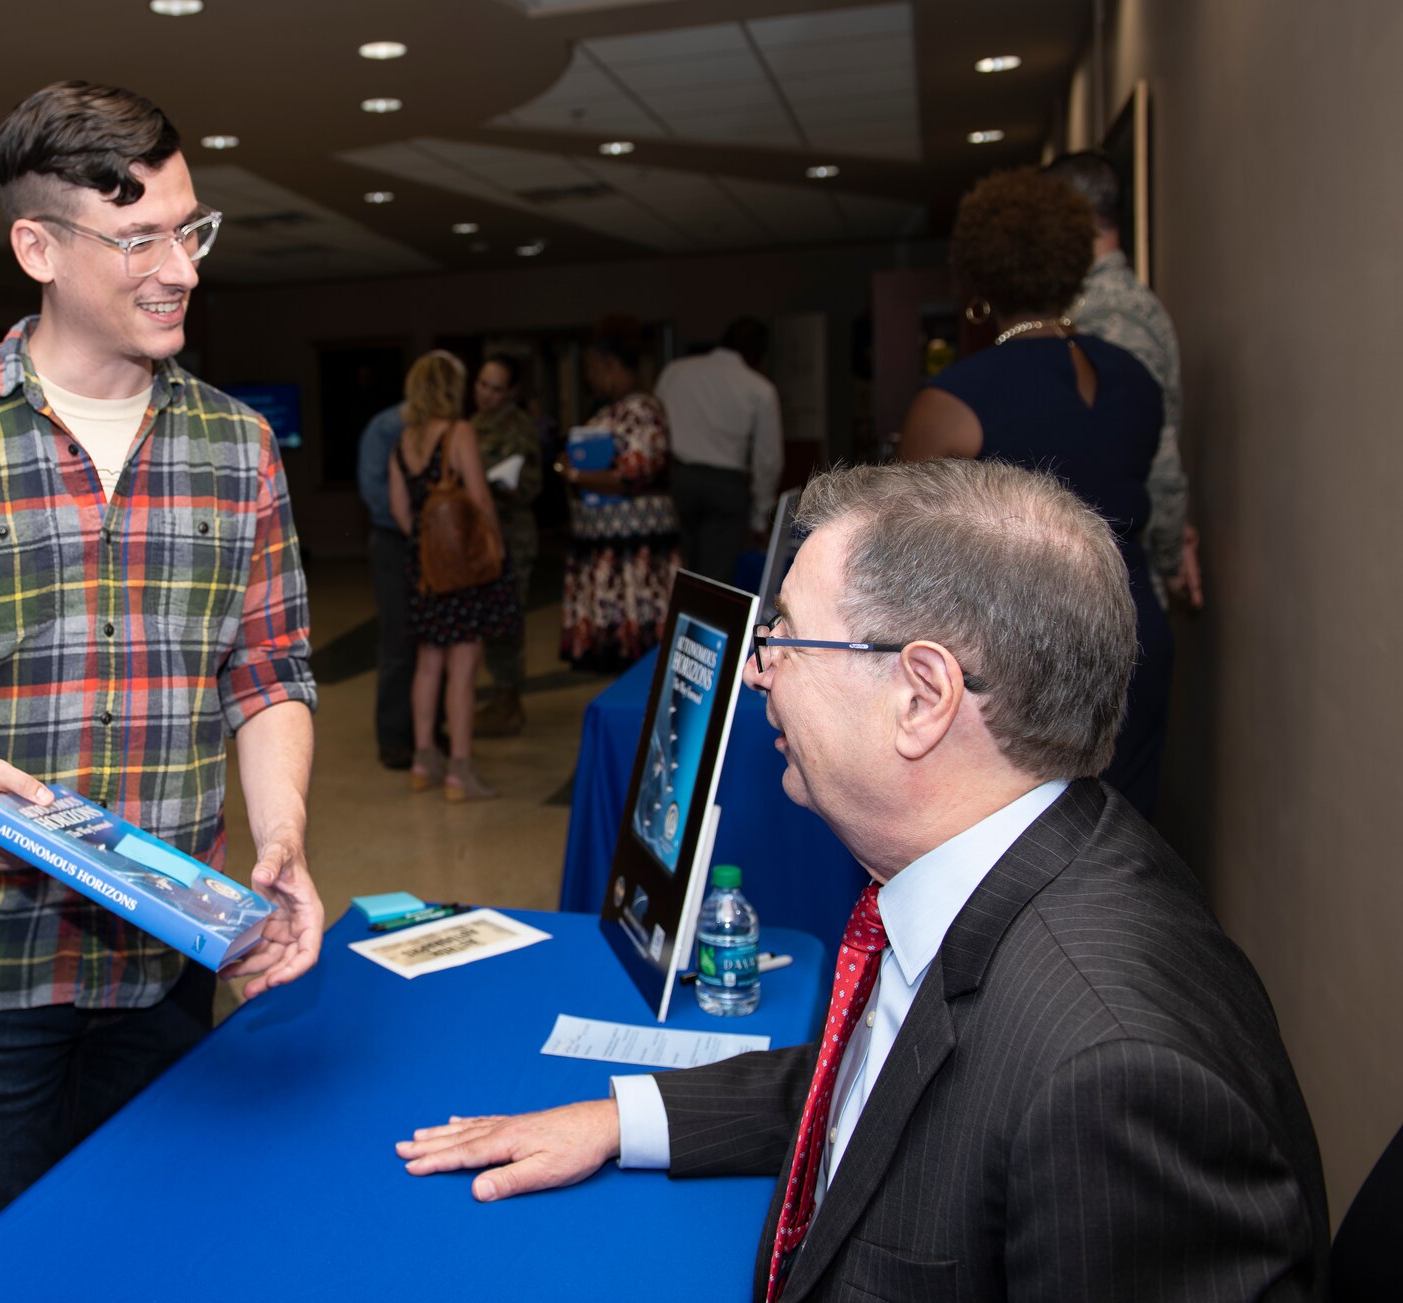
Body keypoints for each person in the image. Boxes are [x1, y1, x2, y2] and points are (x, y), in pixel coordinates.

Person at [396, 459, 1328, 1302]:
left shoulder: (1114, 1080)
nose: (757, 671)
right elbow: (880, 1079)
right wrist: (618, 1117)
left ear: (922, 696)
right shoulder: (1001, 864)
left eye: (788, 639)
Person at [0, 80, 323, 1257]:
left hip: (170, 956)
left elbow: (269, 667)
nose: (178, 266)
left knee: (159, 1249)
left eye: (190, 229)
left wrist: (279, 836)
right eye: (137, 237)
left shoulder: (236, 446)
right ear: (37, 245)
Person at [896, 168, 1171, 821]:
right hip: (1134, 628)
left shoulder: (957, 398)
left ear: (978, 276)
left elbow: (895, 549)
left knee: (1025, 845)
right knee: (1122, 837)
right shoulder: (1136, 378)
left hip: (1025, 646)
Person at [1045, 149, 1204, 612]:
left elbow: (1154, 452)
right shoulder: (1100, 306)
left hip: (1114, 588)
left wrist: (1173, 555)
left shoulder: (1110, 318)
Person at [387, 350, 519, 802]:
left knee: (428, 666)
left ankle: (424, 759)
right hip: (463, 574)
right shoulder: (459, 432)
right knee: (463, 670)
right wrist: (494, 551)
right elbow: (481, 499)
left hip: (423, 572)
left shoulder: (404, 440)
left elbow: (401, 512)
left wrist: (429, 549)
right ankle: (460, 770)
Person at [558, 315, 681, 673]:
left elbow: (634, 473)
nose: (590, 377)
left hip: (634, 550)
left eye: (592, 368)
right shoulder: (609, 411)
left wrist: (577, 474)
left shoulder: (642, 410)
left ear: (610, 365)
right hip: (606, 545)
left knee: (640, 654)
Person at [656, 317, 782, 582]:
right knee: (716, 580)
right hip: (726, 487)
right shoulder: (759, 388)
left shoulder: (676, 371)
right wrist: (761, 516)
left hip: (678, 481)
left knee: (673, 571)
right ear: (758, 353)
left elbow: (655, 427)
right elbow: (767, 459)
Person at [470, 355, 542, 737]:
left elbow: (532, 482)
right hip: (479, 538)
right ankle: (501, 697)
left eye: (496, 388)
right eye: (483, 385)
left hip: (513, 535)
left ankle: (508, 699)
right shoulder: (472, 425)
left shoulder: (519, 428)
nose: (487, 394)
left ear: (511, 392)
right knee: (489, 620)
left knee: (508, 620)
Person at [356, 399, 414, 769]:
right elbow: (375, 493)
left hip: (429, 542)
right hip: (395, 540)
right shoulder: (387, 426)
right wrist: (415, 523)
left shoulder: (449, 429)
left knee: (435, 642)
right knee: (398, 641)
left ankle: (426, 730)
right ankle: (393, 736)